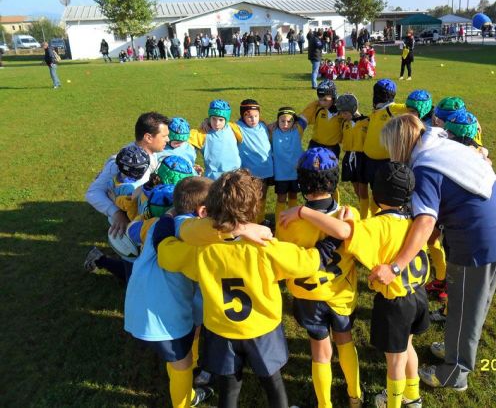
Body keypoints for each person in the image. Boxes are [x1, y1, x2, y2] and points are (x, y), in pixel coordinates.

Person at [368, 114, 496, 392]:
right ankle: (455, 350)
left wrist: (397, 266)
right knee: (476, 302)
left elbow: (425, 222)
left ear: (399, 144)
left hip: (476, 241)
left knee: (463, 310)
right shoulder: (439, 140)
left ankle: (454, 374)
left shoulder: (425, 167)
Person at [156, 169, 324, 408]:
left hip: (221, 330)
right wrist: (326, 246)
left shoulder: (202, 250)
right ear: (255, 208)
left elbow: (167, 254)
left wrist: (165, 231)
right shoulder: (267, 249)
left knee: (229, 388)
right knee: (273, 382)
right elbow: (308, 262)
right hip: (262, 329)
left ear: (211, 209)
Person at [280, 162, 430, 408]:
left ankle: (335, 404)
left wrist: (301, 212)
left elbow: (342, 232)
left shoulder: (371, 227)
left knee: (386, 359)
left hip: (378, 301)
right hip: (414, 294)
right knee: (385, 345)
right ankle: (367, 396)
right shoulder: (416, 221)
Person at [276, 148, 363, 408]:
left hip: (307, 295)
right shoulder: (349, 216)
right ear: (334, 179)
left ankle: (324, 404)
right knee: (345, 342)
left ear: (301, 181)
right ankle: (355, 397)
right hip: (341, 294)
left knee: (320, 351)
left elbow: (284, 259)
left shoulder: (285, 221)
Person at [124, 177, 215, 408]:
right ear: (203, 211)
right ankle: (185, 401)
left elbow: (134, 231)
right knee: (182, 364)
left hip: (137, 304)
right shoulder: (198, 236)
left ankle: (184, 377)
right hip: (165, 316)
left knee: (179, 356)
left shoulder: (157, 224)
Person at [86, 112, 169, 240]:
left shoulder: (151, 153)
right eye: (164, 136)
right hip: (127, 223)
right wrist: (117, 213)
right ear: (148, 137)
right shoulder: (119, 163)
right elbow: (93, 193)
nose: (168, 140)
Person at [362, 79, 409, 216]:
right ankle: (372, 214)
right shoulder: (376, 110)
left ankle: (382, 215)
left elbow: (410, 108)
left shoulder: (391, 109)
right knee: (374, 190)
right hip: (369, 159)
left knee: (382, 192)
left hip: (384, 161)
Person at [236, 99, 274, 223]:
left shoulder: (263, 126)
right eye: (249, 117)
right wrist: (207, 121)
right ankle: (251, 222)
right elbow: (222, 124)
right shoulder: (237, 128)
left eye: (256, 116)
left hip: (267, 170)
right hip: (252, 172)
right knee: (252, 199)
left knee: (262, 198)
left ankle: (260, 219)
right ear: (242, 116)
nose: (253, 119)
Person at [188, 100, 242, 180]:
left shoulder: (233, 128)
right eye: (214, 119)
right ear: (210, 117)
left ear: (226, 120)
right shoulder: (202, 134)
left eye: (221, 120)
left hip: (235, 177)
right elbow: (182, 140)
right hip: (214, 180)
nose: (217, 123)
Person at [337, 94, 370, 218]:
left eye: (344, 113)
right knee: (356, 189)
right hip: (349, 157)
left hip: (362, 158)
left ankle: (364, 217)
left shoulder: (367, 121)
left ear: (353, 110)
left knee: (363, 189)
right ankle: (364, 209)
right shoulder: (345, 123)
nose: (342, 115)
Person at [272, 107, 305, 221]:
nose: (285, 124)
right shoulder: (273, 131)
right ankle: (278, 222)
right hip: (281, 173)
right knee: (281, 198)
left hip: (295, 172)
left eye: (289, 121)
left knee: (293, 196)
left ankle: (292, 221)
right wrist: (273, 124)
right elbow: (260, 123)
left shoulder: (297, 130)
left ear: (294, 122)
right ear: (277, 121)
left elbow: (307, 114)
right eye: (282, 121)